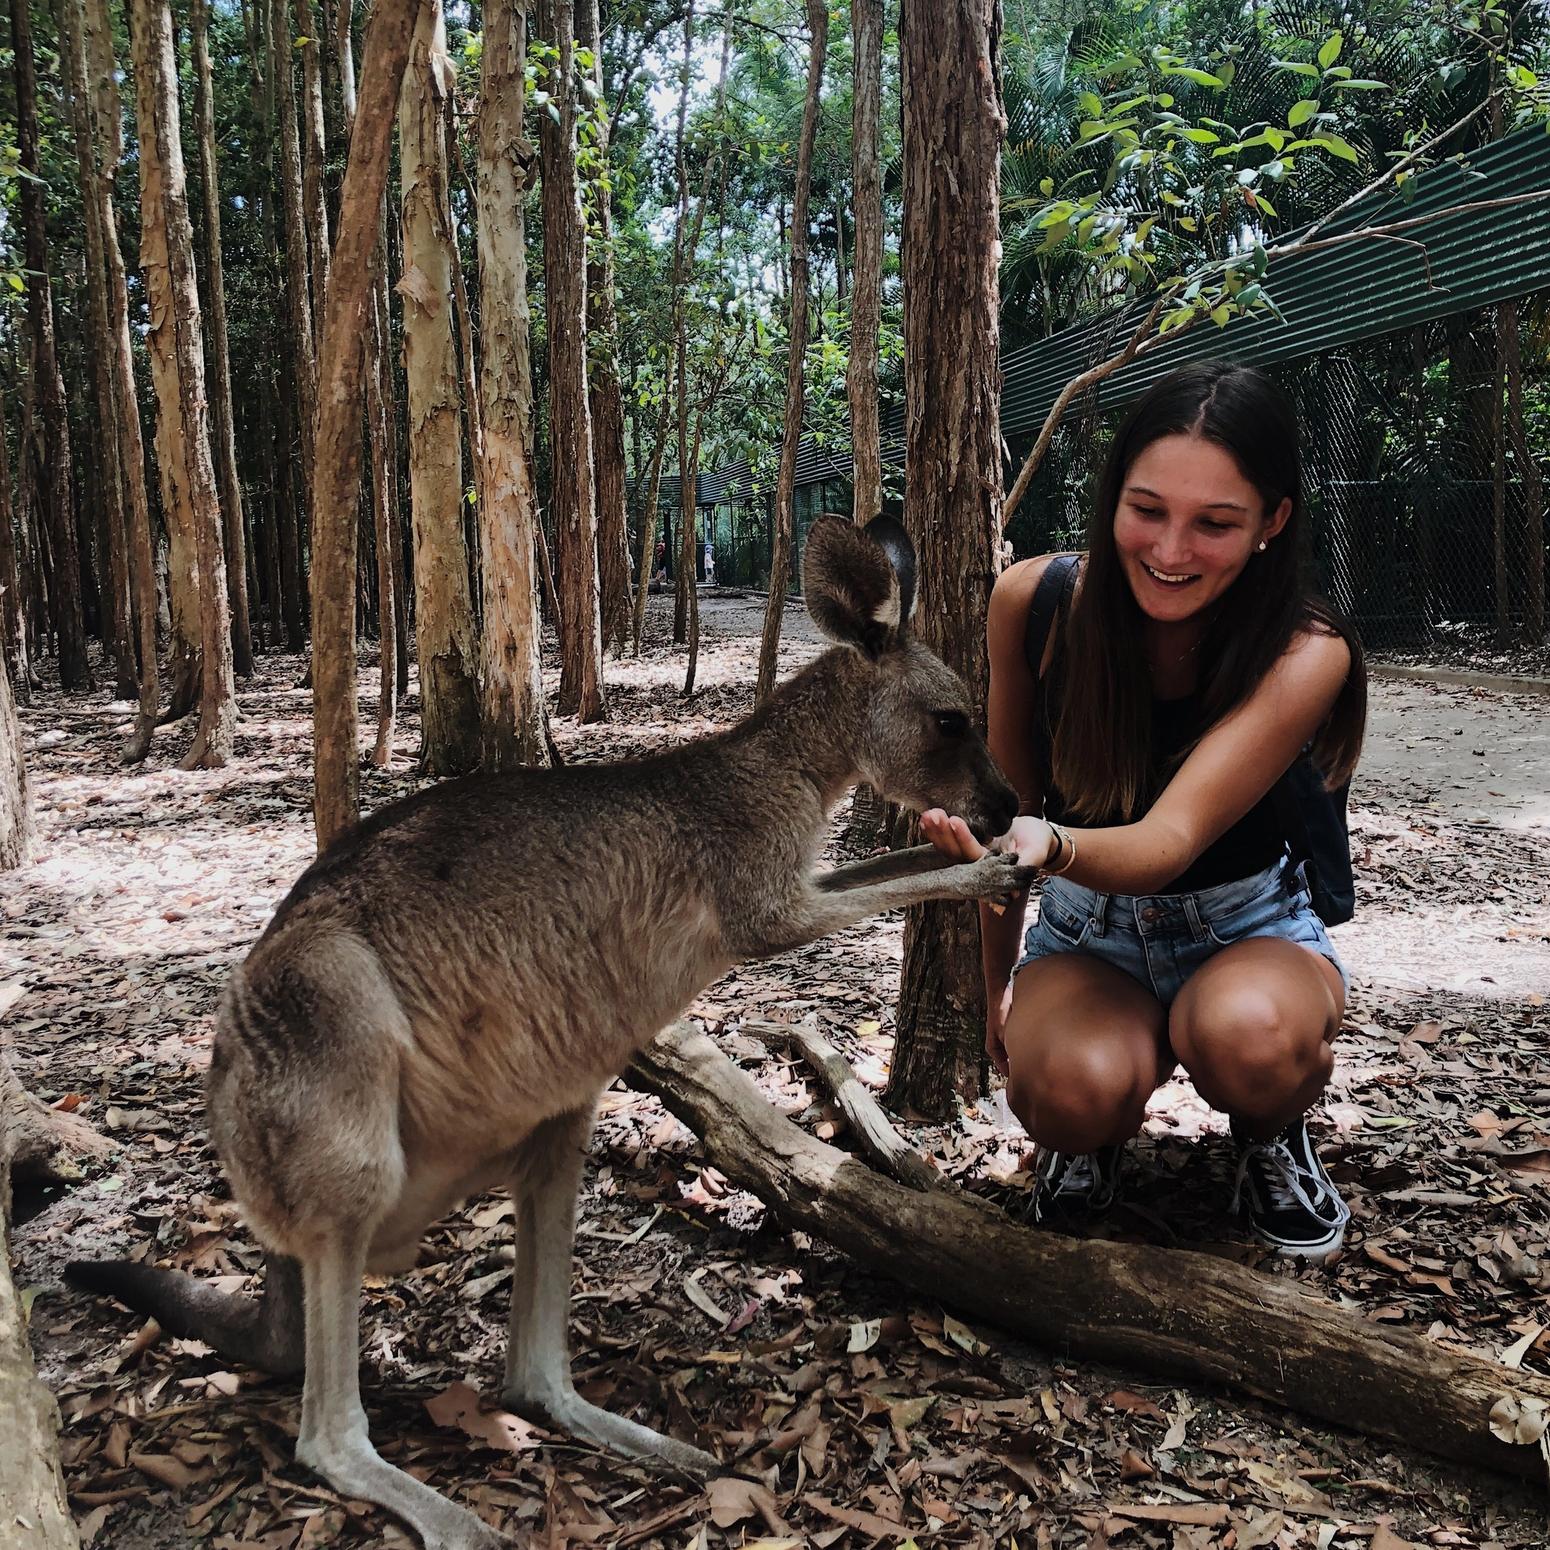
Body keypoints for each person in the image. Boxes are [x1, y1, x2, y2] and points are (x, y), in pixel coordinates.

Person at [921, 361, 1366, 1259]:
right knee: (1066, 1089)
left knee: (1253, 1042)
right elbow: (1009, 815)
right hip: (1090, 937)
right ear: (1112, 496)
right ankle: (1085, 1150)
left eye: (1216, 523)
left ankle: (1270, 1133)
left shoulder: (1305, 651)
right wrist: (998, 986)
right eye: (1147, 509)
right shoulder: (1034, 603)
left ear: (1272, 523)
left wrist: (1042, 845)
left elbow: (1167, 841)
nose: (1170, 551)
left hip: (1247, 927)